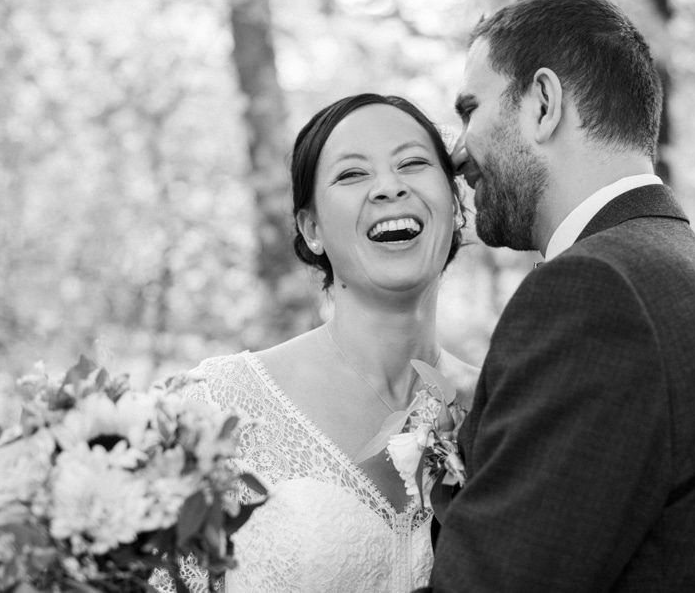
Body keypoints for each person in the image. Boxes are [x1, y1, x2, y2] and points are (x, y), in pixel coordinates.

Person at [421, 0, 695, 591]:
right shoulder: (676, 269)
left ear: (542, 103)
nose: (457, 154)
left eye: (469, 110)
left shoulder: (595, 292)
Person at [152, 93, 476, 593]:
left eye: (412, 163)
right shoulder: (215, 408)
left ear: (455, 207)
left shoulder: (500, 407)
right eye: (351, 174)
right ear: (312, 229)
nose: (390, 187)